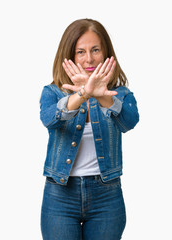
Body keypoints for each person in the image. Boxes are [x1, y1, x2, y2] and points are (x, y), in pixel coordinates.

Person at [39, 18, 139, 240]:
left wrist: (102, 96)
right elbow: (50, 119)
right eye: (80, 52)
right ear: (69, 56)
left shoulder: (119, 93)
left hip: (106, 196)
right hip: (60, 195)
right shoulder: (53, 92)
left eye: (95, 50)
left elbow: (129, 122)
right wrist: (83, 93)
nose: (89, 59)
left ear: (105, 53)